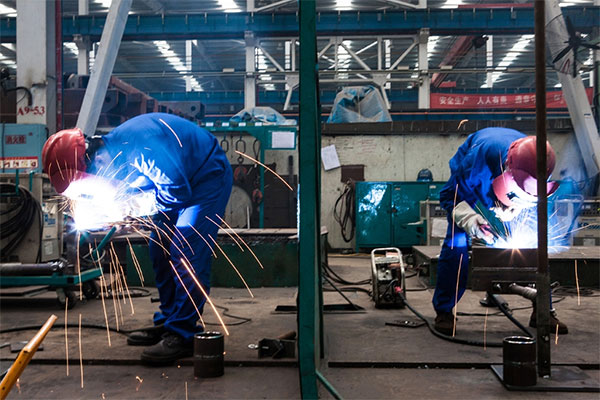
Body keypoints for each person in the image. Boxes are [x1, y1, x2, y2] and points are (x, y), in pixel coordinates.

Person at [42, 113, 233, 364]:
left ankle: (183, 333)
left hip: (206, 177)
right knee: (159, 248)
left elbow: (177, 192)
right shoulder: (111, 154)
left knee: (186, 251)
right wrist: (121, 210)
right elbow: (146, 190)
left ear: (93, 159)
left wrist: (132, 208)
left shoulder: (140, 149)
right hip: (179, 184)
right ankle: (169, 321)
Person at [433, 127, 568, 336]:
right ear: (506, 169)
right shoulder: (475, 161)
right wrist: (469, 219)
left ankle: (543, 310)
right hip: (475, 180)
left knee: (536, 247)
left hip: (514, 176)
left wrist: (518, 206)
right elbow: (449, 196)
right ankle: (444, 311)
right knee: (456, 244)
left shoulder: (538, 162)